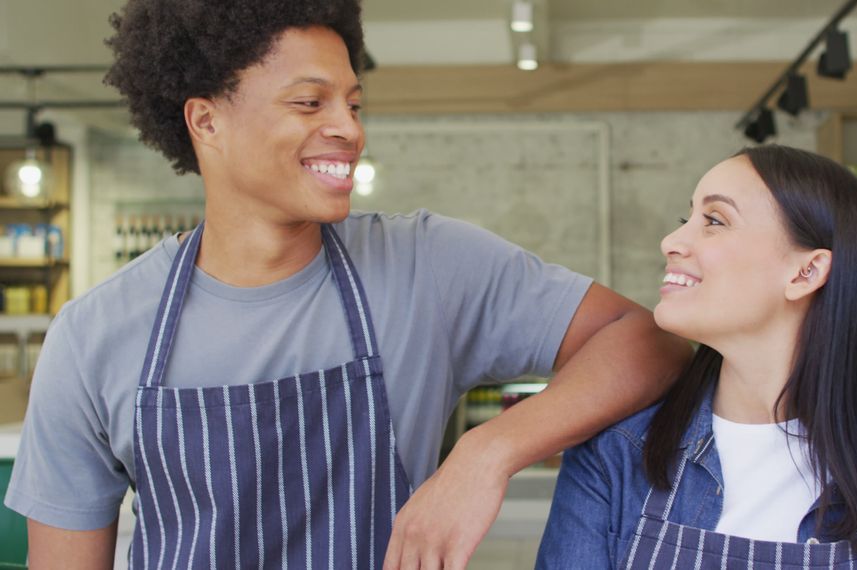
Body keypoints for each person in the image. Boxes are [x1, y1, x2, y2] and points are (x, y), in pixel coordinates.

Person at [3, 1, 692, 568]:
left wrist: (487, 453)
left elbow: (649, 342)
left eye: (353, 105)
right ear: (206, 121)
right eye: (310, 102)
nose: (349, 130)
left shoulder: (428, 265)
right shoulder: (95, 334)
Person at [537, 145, 857, 569]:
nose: (671, 240)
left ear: (806, 271)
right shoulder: (614, 454)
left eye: (714, 220)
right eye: (686, 217)